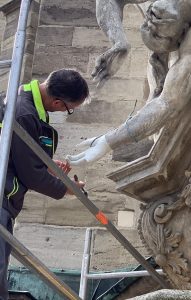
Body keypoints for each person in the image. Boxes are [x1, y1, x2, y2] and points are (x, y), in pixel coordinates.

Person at [66, 0, 191, 166]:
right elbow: (168, 101)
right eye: (152, 25)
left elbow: (168, 103)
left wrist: (109, 142)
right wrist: (119, 41)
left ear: (183, 36)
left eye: (157, 32)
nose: (154, 23)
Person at [0, 68, 89, 299]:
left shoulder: (25, 100)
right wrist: (69, 189)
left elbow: (16, 151)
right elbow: (31, 176)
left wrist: (45, 162)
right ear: (58, 102)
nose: (65, 112)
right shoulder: (25, 113)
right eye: (69, 110)